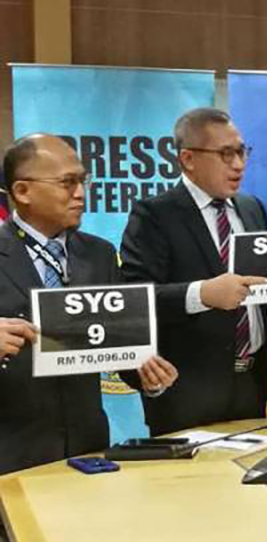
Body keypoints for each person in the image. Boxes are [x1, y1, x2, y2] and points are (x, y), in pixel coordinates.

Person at [120, 108, 267, 435]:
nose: (239, 164)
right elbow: (135, 298)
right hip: (188, 392)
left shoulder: (251, 208)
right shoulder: (154, 215)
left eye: (242, 152)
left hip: (252, 384)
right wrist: (202, 294)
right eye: (226, 154)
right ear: (188, 159)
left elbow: (262, 286)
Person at [0, 134, 177, 474]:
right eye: (67, 183)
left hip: (87, 452)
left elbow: (116, 349)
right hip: (11, 456)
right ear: (22, 191)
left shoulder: (99, 254)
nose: (81, 193)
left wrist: (147, 375)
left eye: (83, 180)